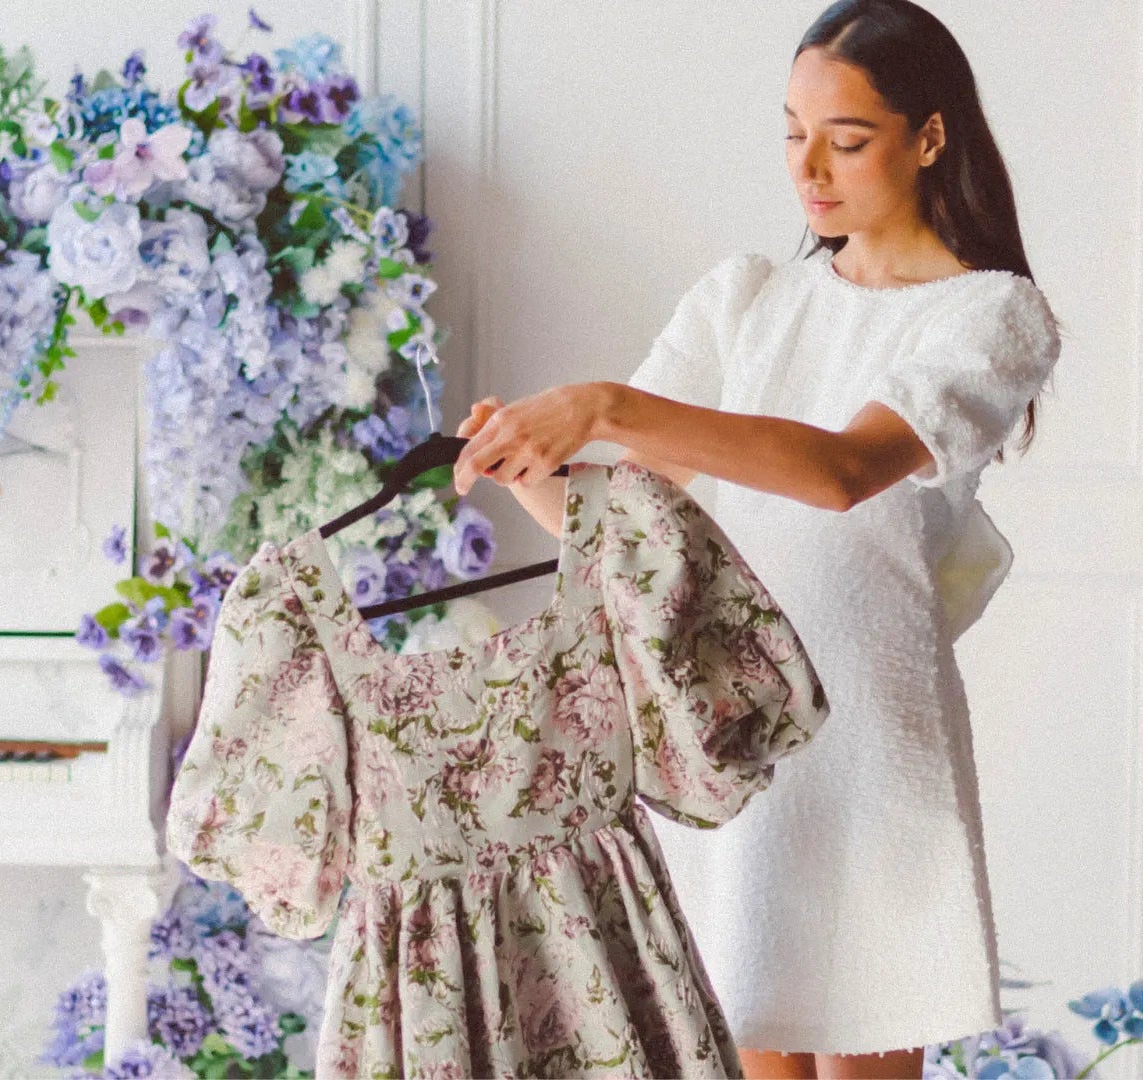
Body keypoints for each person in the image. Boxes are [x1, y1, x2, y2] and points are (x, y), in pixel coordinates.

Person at [450, 2, 1064, 1077]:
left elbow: (842, 471)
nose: (810, 169)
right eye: (792, 131)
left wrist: (603, 407)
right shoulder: (748, 299)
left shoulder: (988, 315)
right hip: (729, 729)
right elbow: (624, 525)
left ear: (930, 136)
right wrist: (528, 468)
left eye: (849, 138)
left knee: (866, 1040)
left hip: (868, 736)